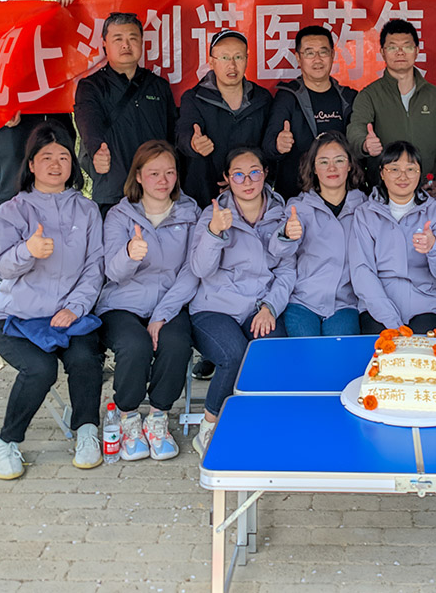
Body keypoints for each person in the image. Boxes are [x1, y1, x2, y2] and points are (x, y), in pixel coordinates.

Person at [0, 123, 105, 480]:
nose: (56, 165)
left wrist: (75, 308)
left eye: (64, 157)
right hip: (17, 318)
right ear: (31, 165)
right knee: (40, 369)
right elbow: (2, 267)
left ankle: (87, 431)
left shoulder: (87, 210)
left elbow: (95, 267)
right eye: (46, 157)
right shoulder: (12, 210)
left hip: (70, 315)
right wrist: (28, 250)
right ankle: (7, 442)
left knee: (86, 358)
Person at [95, 140, 200, 462]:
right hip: (122, 303)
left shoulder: (190, 213)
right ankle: (128, 417)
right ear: (138, 176)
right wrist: (129, 254)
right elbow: (112, 272)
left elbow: (193, 271)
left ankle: (157, 417)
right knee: (135, 345)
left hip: (170, 301)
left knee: (177, 343)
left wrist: (162, 314)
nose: (163, 180)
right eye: (154, 173)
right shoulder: (119, 215)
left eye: (169, 172)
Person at [188, 147, 294, 455]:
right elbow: (200, 269)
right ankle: (209, 427)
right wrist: (214, 232)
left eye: (254, 173)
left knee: (273, 350)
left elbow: (288, 271)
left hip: (258, 306)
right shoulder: (213, 214)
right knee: (233, 355)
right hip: (215, 307)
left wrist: (270, 307)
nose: (247, 181)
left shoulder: (282, 215)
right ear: (226, 178)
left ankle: (259, 422)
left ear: (265, 174)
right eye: (238, 175)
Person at [0, 0, 77, 234]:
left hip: (56, 112)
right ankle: (4, 252)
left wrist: (74, 10)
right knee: (11, 182)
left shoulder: (57, 15)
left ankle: (59, 244)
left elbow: (79, 52)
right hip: (14, 115)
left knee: (60, 177)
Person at [74, 12, 177, 218]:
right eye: (118, 39)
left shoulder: (158, 86)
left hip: (157, 195)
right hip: (113, 194)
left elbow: (173, 135)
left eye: (132, 38)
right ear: (105, 44)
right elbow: (88, 125)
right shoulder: (91, 86)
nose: (126, 45)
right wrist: (97, 152)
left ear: (142, 42)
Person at [349, 141, 436, 335]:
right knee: (383, 350)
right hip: (377, 307)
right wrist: (391, 320)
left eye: (410, 169)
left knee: (426, 351)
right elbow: (362, 271)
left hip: (425, 304)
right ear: (382, 173)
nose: (403, 176)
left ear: (419, 173)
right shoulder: (365, 214)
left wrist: (434, 247)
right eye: (394, 169)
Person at [277, 132, 367, 337]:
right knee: (305, 353)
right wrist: (286, 234)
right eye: (324, 162)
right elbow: (278, 251)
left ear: (350, 165)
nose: (332, 168)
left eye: (339, 160)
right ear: (314, 168)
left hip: (344, 304)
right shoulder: (299, 207)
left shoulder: (364, 208)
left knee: (340, 354)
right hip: (302, 302)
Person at [346, 18, 436, 179]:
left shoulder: (435, 96)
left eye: (407, 46)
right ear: (382, 52)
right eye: (392, 47)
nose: (400, 52)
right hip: (385, 188)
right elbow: (356, 129)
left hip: (428, 187)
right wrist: (365, 144)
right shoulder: (369, 95)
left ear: (417, 51)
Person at [177, 29, 273, 203]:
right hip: (205, 196)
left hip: (251, 194)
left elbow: (267, 147)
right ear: (211, 62)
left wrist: (240, 182)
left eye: (238, 57)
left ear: (247, 60)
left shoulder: (262, 98)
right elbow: (182, 133)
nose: (232, 65)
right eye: (224, 58)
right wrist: (193, 143)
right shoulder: (194, 98)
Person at [262, 25, 357, 198]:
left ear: (332, 55)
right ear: (298, 58)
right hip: (296, 196)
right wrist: (278, 145)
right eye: (309, 53)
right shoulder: (287, 96)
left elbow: (357, 146)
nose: (317, 59)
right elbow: (267, 147)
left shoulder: (348, 97)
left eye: (323, 52)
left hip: (341, 198)